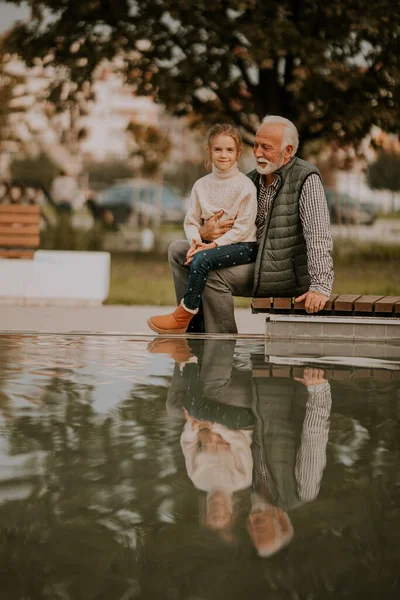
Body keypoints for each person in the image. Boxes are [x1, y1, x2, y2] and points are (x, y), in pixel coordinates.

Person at [168, 115, 334, 334]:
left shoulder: (306, 178)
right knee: (179, 250)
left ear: (288, 151)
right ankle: (192, 329)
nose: (257, 153)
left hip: (283, 272)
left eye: (266, 147)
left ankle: (222, 350)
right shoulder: (252, 179)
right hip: (251, 255)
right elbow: (229, 227)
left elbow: (318, 234)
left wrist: (320, 286)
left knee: (212, 273)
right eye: (255, 145)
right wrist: (203, 232)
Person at [147, 123, 258, 334]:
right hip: (210, 244)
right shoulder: (201, 185)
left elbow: (243, 229)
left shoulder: (245, 186)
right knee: (181, 251)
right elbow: (190, 222)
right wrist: (196, 241)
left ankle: (184, 314)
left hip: (244, 245)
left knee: (202, 259)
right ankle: (194, 326)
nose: (223, 155)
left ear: (238, 153)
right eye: (218, 149)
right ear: (209, 151)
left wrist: (211, 246)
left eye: (229, 150)